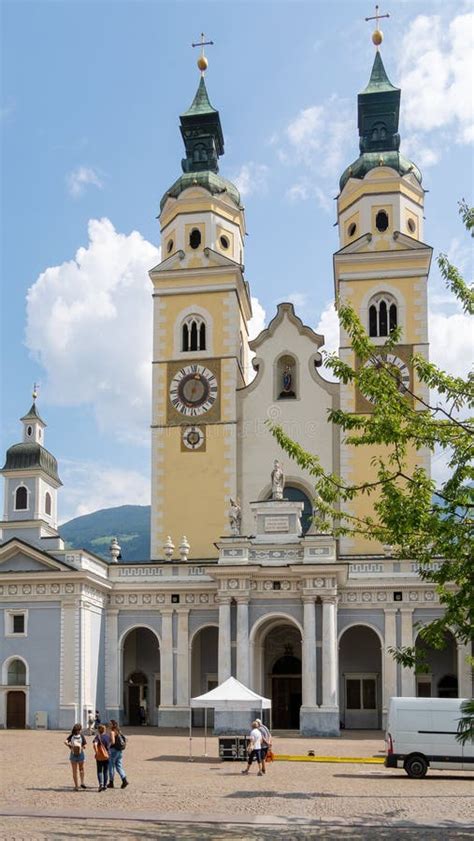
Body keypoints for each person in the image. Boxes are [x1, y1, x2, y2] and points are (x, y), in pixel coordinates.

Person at [64, 723, 87, 791]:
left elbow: (65, 742)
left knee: (74, 771)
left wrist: (70, 746)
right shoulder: (81, 736)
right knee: (81, 769)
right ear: (80, 729)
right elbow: (85, 746)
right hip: (80, 754)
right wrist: (81, 748)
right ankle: (82, 782)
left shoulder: (72, 735)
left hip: (73, 754)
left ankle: (76, 786)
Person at [108, 719, 129, 789]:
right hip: (119, 751)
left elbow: (113, 742)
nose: (109, 724)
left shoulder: (112, 732)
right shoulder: (119, 731)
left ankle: (111, 782)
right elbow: (125, 739)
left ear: (113, 725)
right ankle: (124, 780)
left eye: (110, 723)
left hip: (113, 750)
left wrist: (108, 746)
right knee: (119, 766)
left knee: (111, 766)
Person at [93, 724, 111, 791]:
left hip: (100, 756)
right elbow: (110, 744)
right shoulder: (107, 737)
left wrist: (96, 751)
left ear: (98, 730)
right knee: (106, 771)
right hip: (107, 755)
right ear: (104, 730)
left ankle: (101, 784)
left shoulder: (98, 737)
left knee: (99, 771)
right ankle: (105, 785)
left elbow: (95, 744)